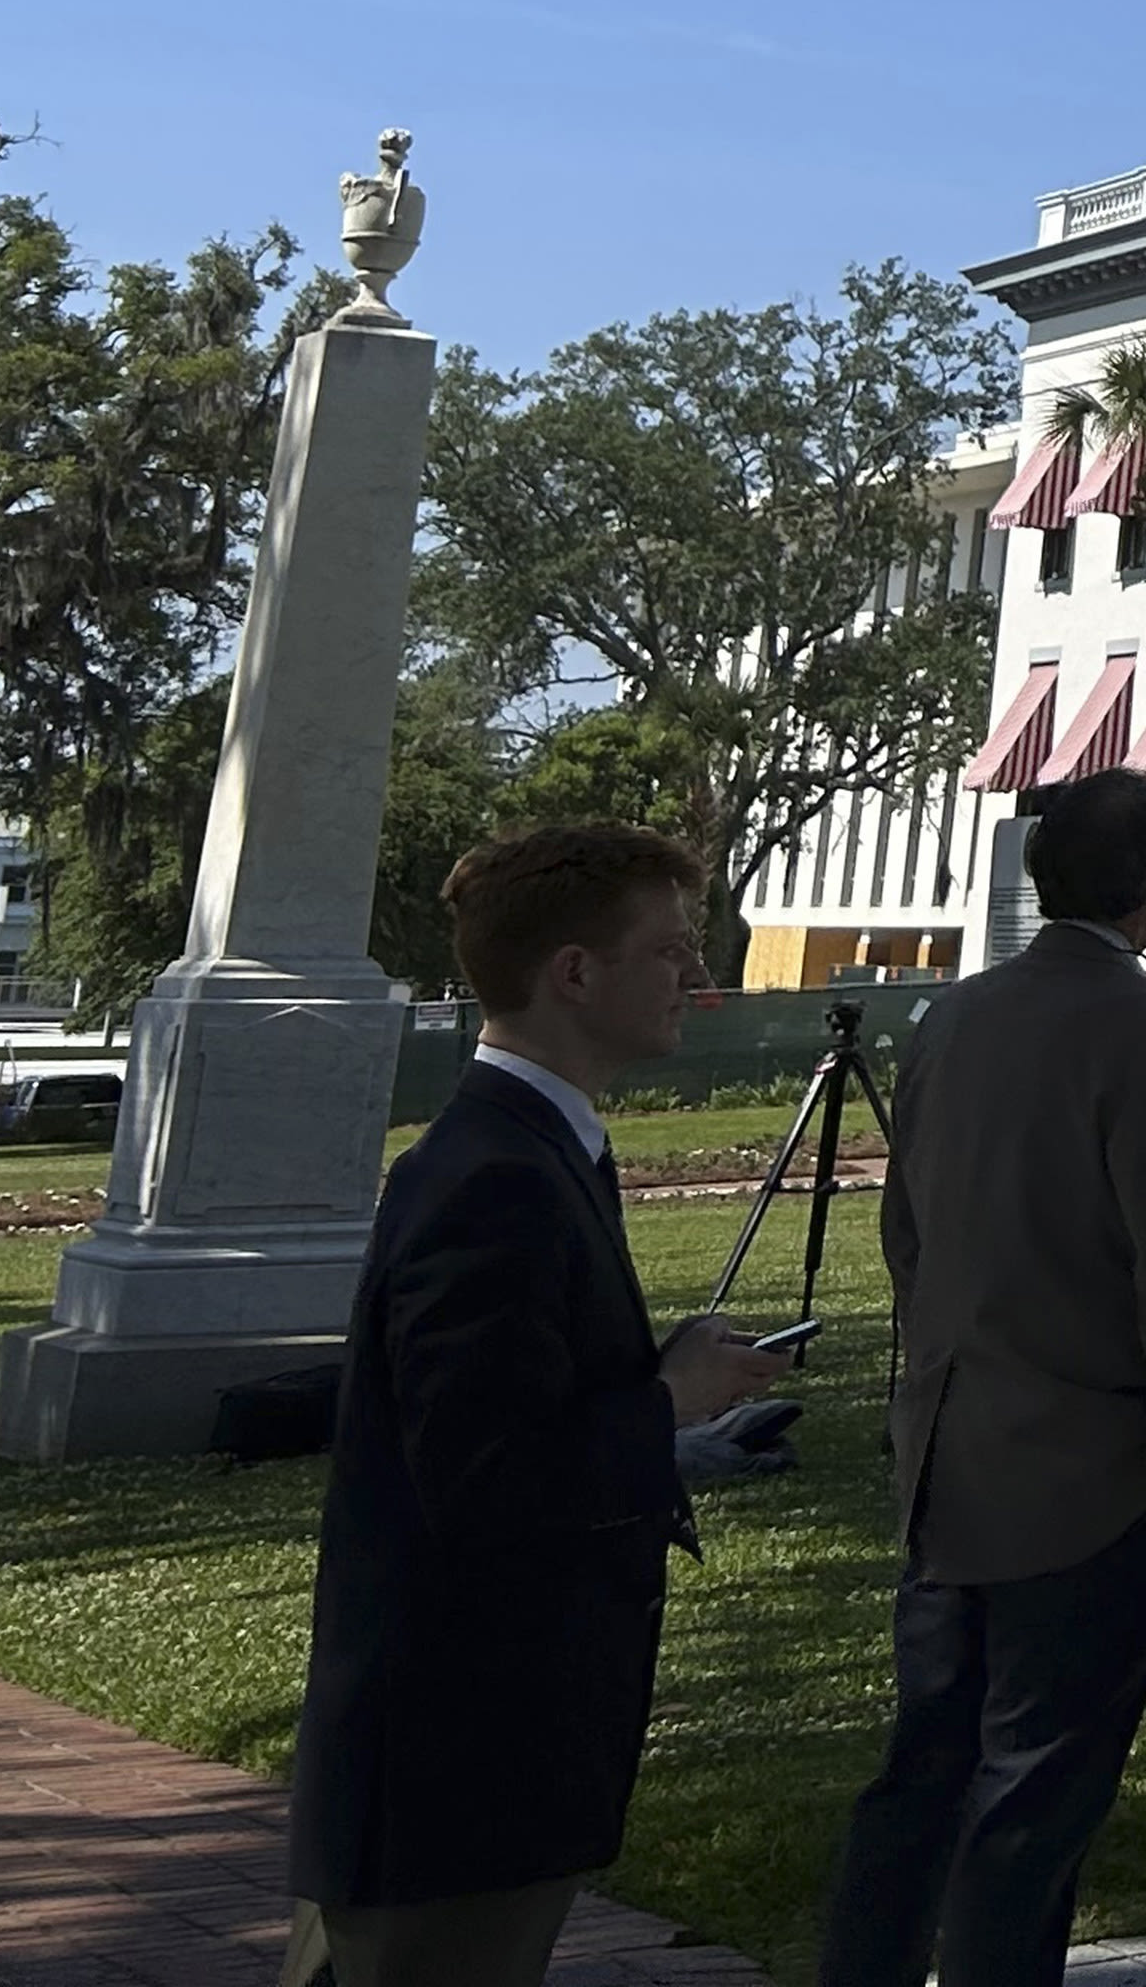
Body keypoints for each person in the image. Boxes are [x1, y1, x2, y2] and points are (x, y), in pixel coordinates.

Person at [287, 823, 770, 1987]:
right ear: (574, 972)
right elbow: (486, 1476)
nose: (694, 978)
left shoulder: (532, 1150)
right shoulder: (495, 1177)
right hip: (458, 1769)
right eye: (668, 950)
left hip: (492, 1759)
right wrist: (667, 1400)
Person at [819, 765, 1146, 1987]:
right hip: (1090, 1474)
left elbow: (905, 1233)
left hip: (950, 1451)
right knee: (1032, 1802)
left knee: (923, 1773)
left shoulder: (956, 1018)